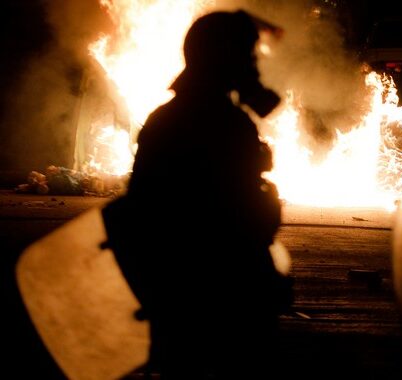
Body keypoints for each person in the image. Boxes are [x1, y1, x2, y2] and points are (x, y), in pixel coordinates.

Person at [101, 10, 292, 378]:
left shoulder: (170, 116)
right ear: (225, 58)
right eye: (248, 56)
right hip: (212, 290)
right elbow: (230, 216)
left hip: (178, 288)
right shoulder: (220, 122)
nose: (253, 66)